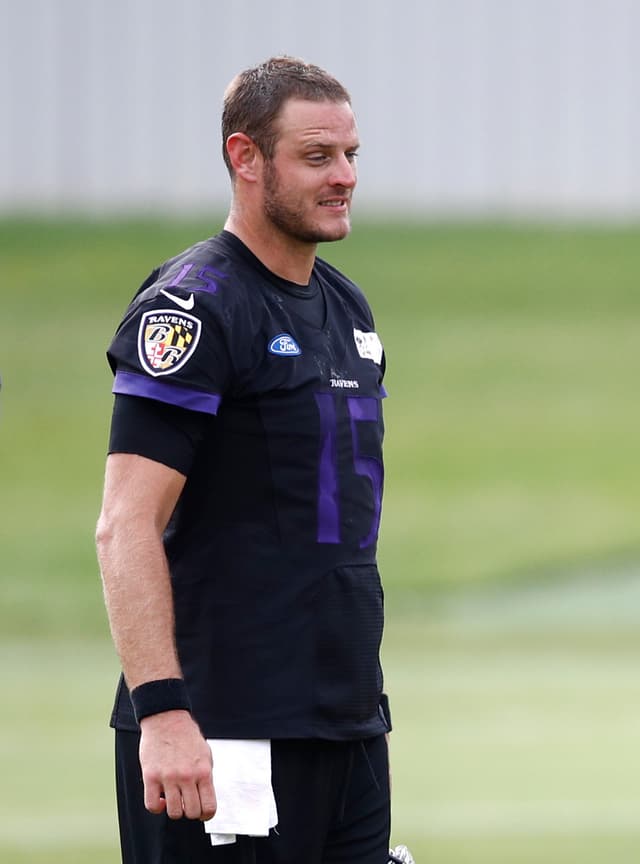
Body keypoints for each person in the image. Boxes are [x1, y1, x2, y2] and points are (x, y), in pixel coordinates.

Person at [95, 56, 399, 862]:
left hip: (346, 722)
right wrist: (161, 712)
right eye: (316, 157)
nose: (344, 178)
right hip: (225, 732)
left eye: (351, 156)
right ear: (245, 157)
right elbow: (125, 524)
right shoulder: (195, 304)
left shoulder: (345, 305)